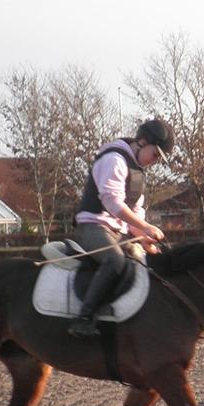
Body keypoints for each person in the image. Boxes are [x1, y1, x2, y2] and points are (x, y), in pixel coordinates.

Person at [67, 118, 173, 338]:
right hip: (93, 226)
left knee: (142, 264)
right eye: (155, 155)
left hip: (117, 231)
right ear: (143, 141)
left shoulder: (138, 172)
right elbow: (113, 204)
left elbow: (136, 211)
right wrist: (145, 227)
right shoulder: (114, 160)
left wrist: (143, 238)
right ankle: (83, 318)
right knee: (115, 262)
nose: (154, 161)